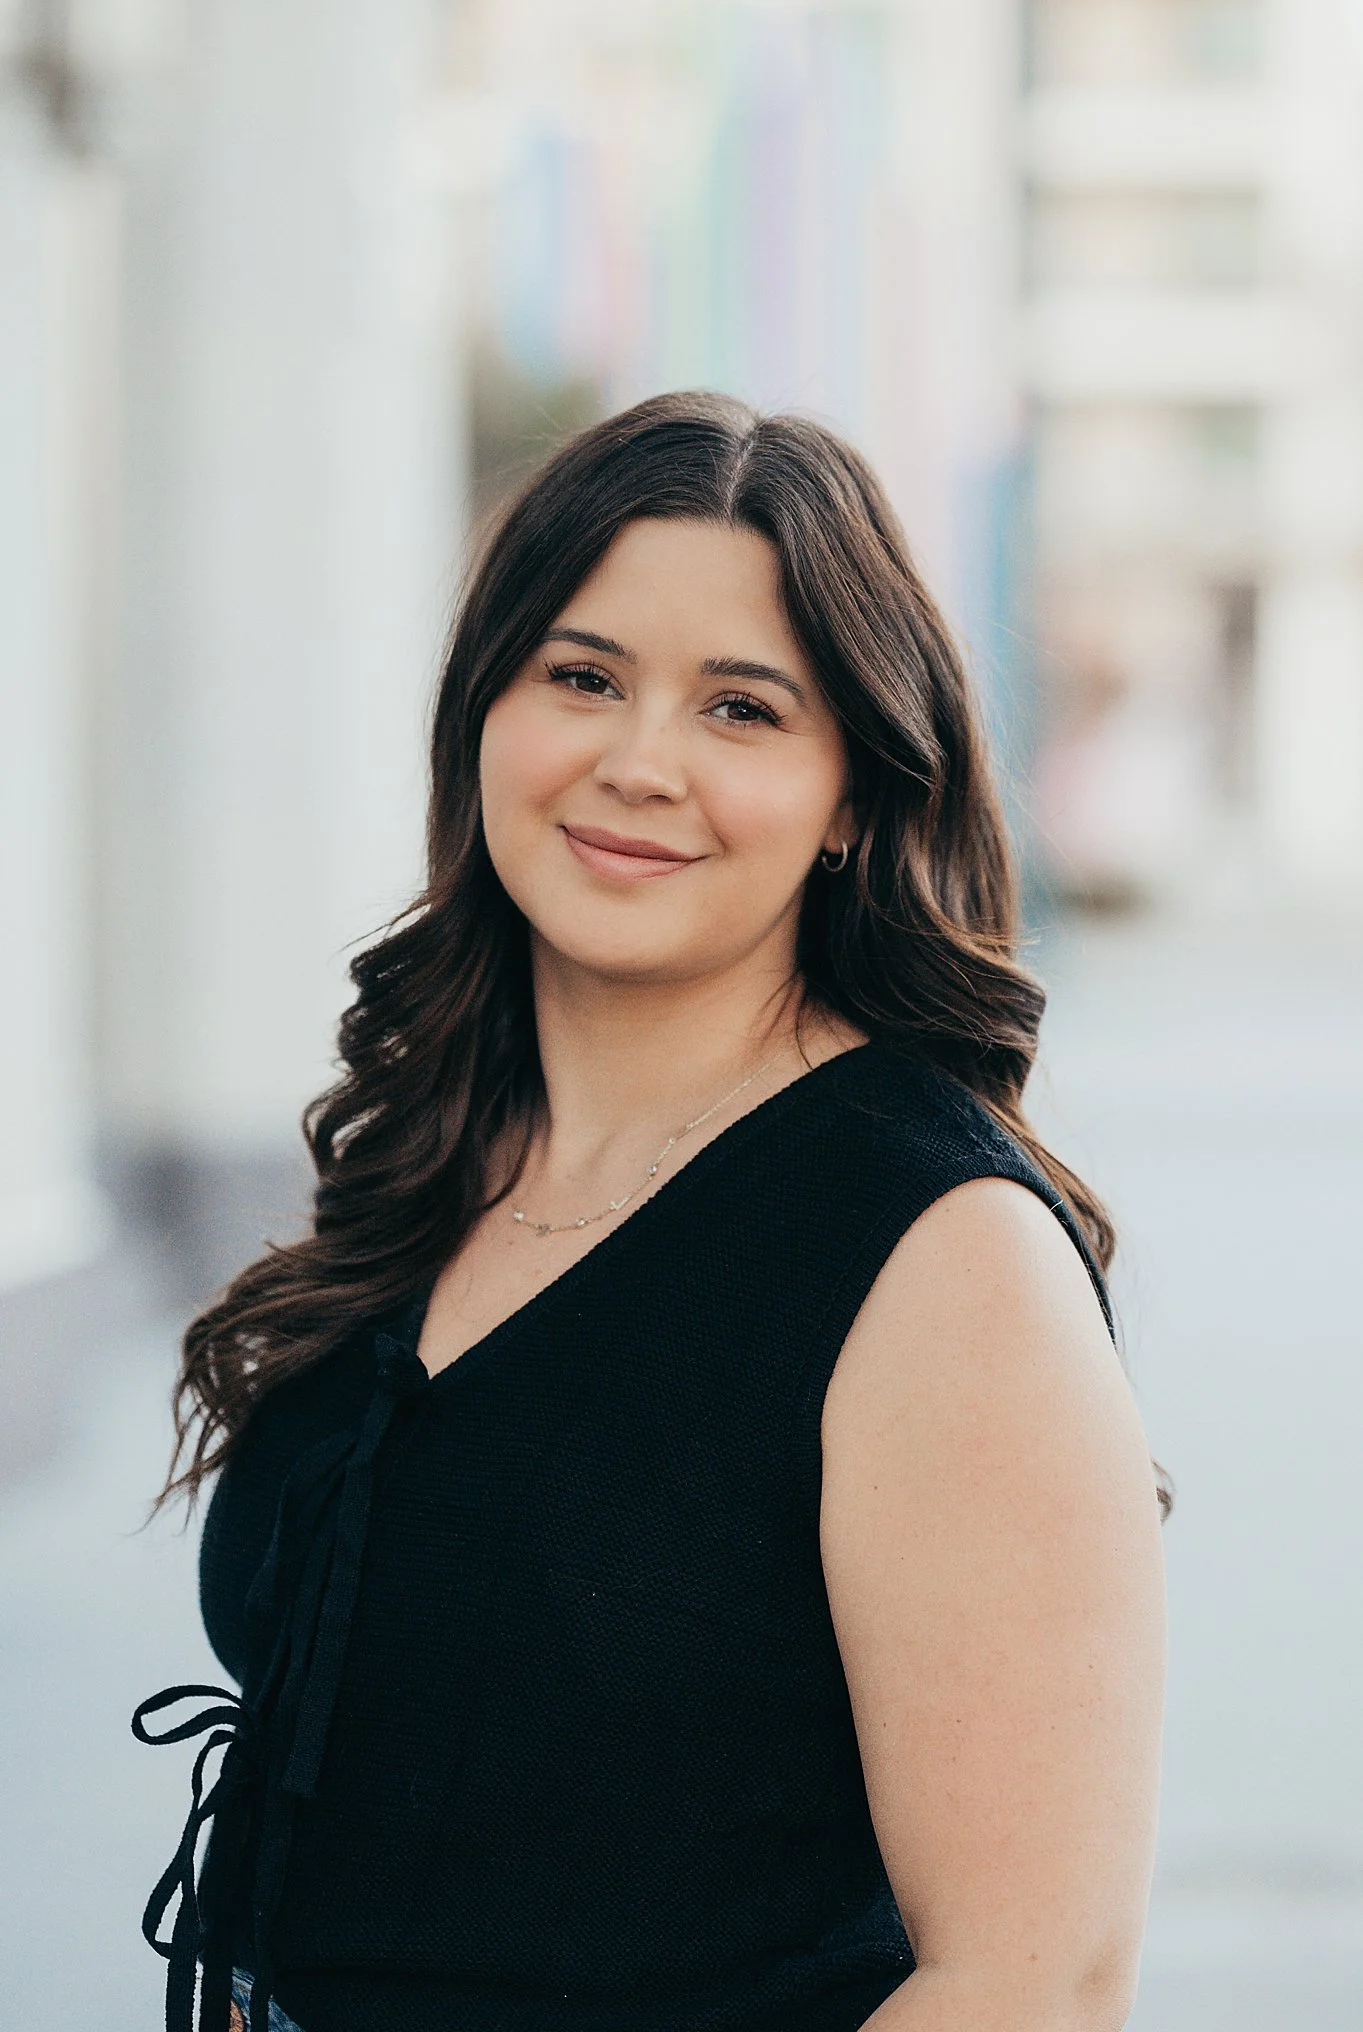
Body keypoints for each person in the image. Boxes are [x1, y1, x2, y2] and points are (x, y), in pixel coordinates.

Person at [134, 392, 1168, 2032]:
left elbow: (1030, 1981)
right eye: (584, 676)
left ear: (852, 796)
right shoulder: (435, 1163)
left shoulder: (938, 1255)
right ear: (486, 709)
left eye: (741, 710)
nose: (638, 762)